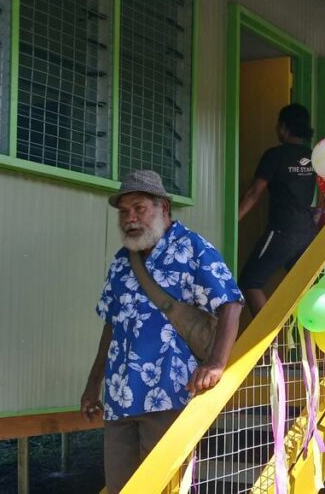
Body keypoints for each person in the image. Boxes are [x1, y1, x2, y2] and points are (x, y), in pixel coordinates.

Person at [81, 170, 244, 492]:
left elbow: (231, 303)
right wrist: (92, 384)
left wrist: (216, 363)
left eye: (139, 208)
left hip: (169, 394)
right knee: (122, 486)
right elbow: (111, 324)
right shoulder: (121, 262)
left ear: (163, 208)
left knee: (164, 486)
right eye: (124, 211)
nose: (130, 218)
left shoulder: (192, 247)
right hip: (120, 397)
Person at [237, 104, 319, 315]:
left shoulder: (275, 155)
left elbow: (254, 193)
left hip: (283, 230)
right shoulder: (314, 157)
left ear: (283, 127)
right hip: (308, 232)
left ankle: (268, 334)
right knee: (302, 289)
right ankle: (306, 334)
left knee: (250, 281)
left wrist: (232, 221)